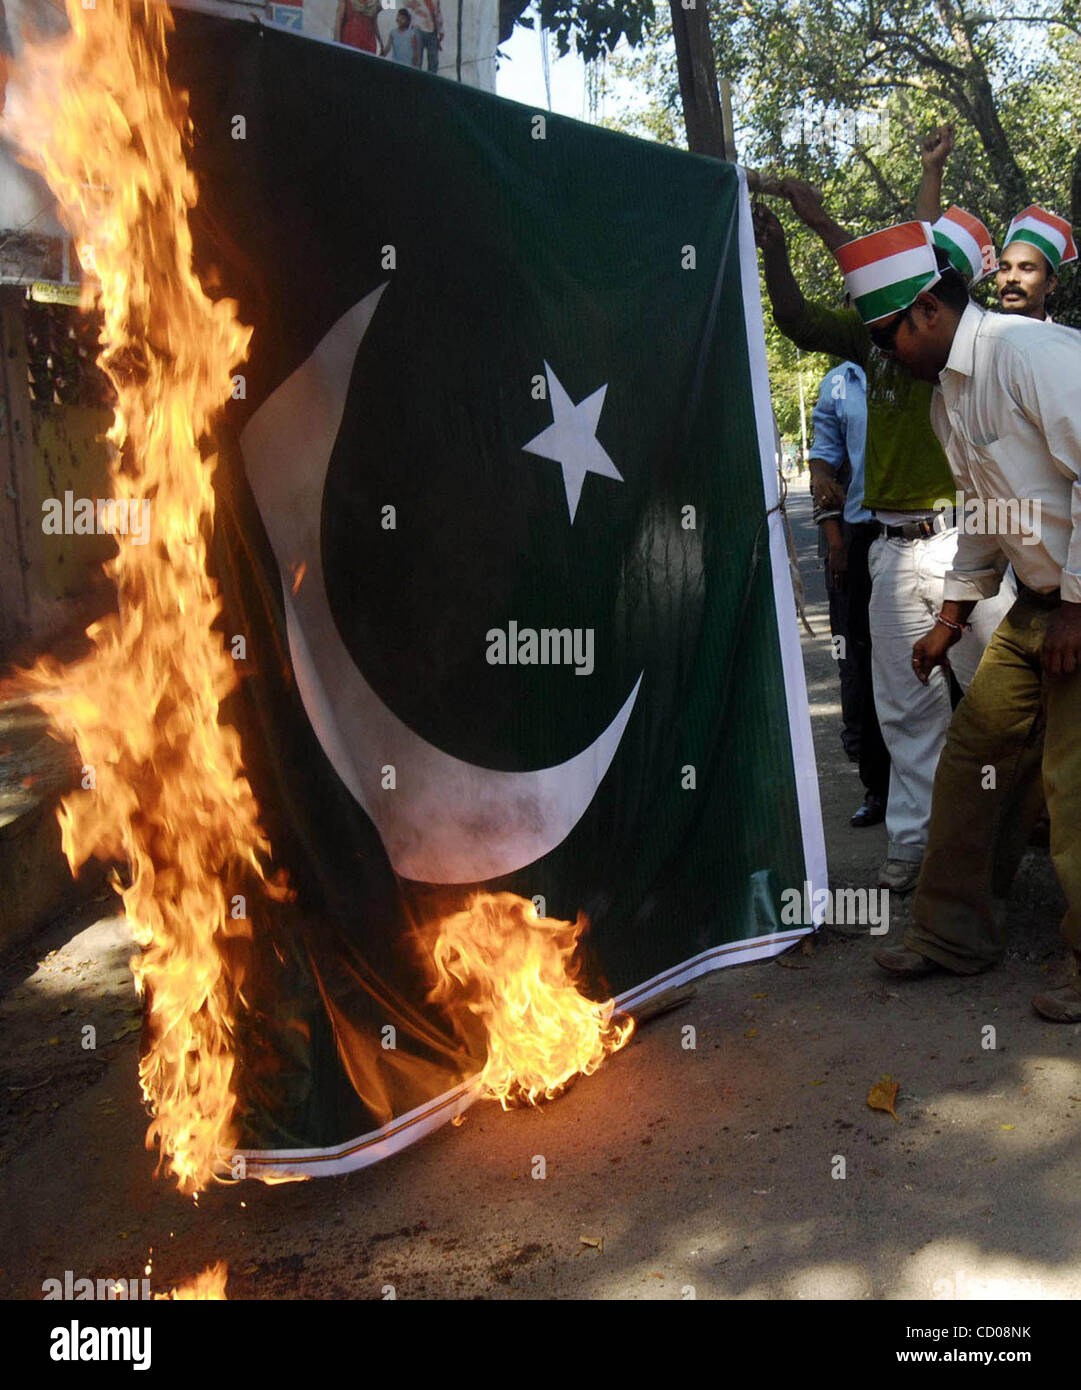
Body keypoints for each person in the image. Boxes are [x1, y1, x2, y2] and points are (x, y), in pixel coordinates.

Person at [754, 191, 1014, 895]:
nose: (887, 330)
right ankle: (913, 846)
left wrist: (816, 219)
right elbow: (796, 317)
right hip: (894, 550)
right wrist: (777, 252)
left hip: (970, 542)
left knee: (1007, 701)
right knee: (904, 706)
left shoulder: (981, 349)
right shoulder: (872, 342)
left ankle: (1018, 840)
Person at [859, 221, 1081, 1020]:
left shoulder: (1028, 355)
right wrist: (950, 619)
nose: (882, 354)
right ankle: (951, 935)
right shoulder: (947, 398)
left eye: (886, 336)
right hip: (1035, 602)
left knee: (1070, 782)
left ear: (924, 312)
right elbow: (989, 513)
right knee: (972, 758)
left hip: (1077, 602)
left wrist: (1076, 607)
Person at [809, 362, 890, 824]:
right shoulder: (838, 383)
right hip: (859, 541)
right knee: (859, 664)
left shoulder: (920, 357)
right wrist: (837, 543)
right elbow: (824, 459)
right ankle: (877, 786)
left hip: (932, 537)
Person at [996, 205, 1077, 322]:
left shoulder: (1066, 340)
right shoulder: (977, 337)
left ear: (1050, 283)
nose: (1011, 278)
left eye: (1027, 269)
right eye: (1004, 269)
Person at [405, 0, 443, 73]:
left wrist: (441, 30)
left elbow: (438, 12)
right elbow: (407, 6)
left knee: (433, 62)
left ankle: (432, 81)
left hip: (432, 30)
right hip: (418, 28)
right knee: (417, 61)